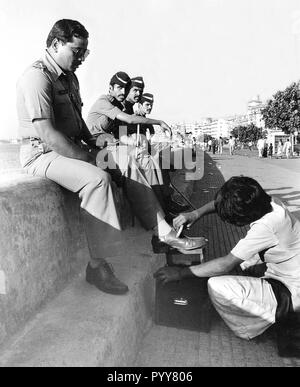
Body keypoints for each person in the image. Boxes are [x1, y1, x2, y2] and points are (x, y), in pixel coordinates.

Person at [16, 19, 129, 295]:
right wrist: (90, 159)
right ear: (55, 45)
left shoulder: (69, 78)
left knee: (117, 166)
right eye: (76, 52)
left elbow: (79, 126)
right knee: (98, 180)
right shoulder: (37, 77)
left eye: (83, 53)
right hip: (40, 154)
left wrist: (100, 150)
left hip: (64, 150)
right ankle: (96, 266)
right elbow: (48, 135)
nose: (80, 59)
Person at [155, 176, 300, 341]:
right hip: (288, 272)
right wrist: (196, 213)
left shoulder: (266, 226)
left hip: (290, 292)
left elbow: (225, 264)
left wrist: (181, 273)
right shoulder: (269, 202)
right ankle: (265, 305)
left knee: (217, 285)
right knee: (242, 261)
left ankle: (253, 330)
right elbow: (223, 201)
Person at [87, 73, 201, 251]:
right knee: (139, 162)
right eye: (119, 88)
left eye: (125, 89)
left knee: (149, 162)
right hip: (96, 150)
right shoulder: (104, 102)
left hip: (109, 147)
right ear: (110, 88)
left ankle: (163, 220)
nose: (123, 92)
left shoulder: (117, 105)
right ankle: (163, 229)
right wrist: (158, 121)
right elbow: (129, 121)